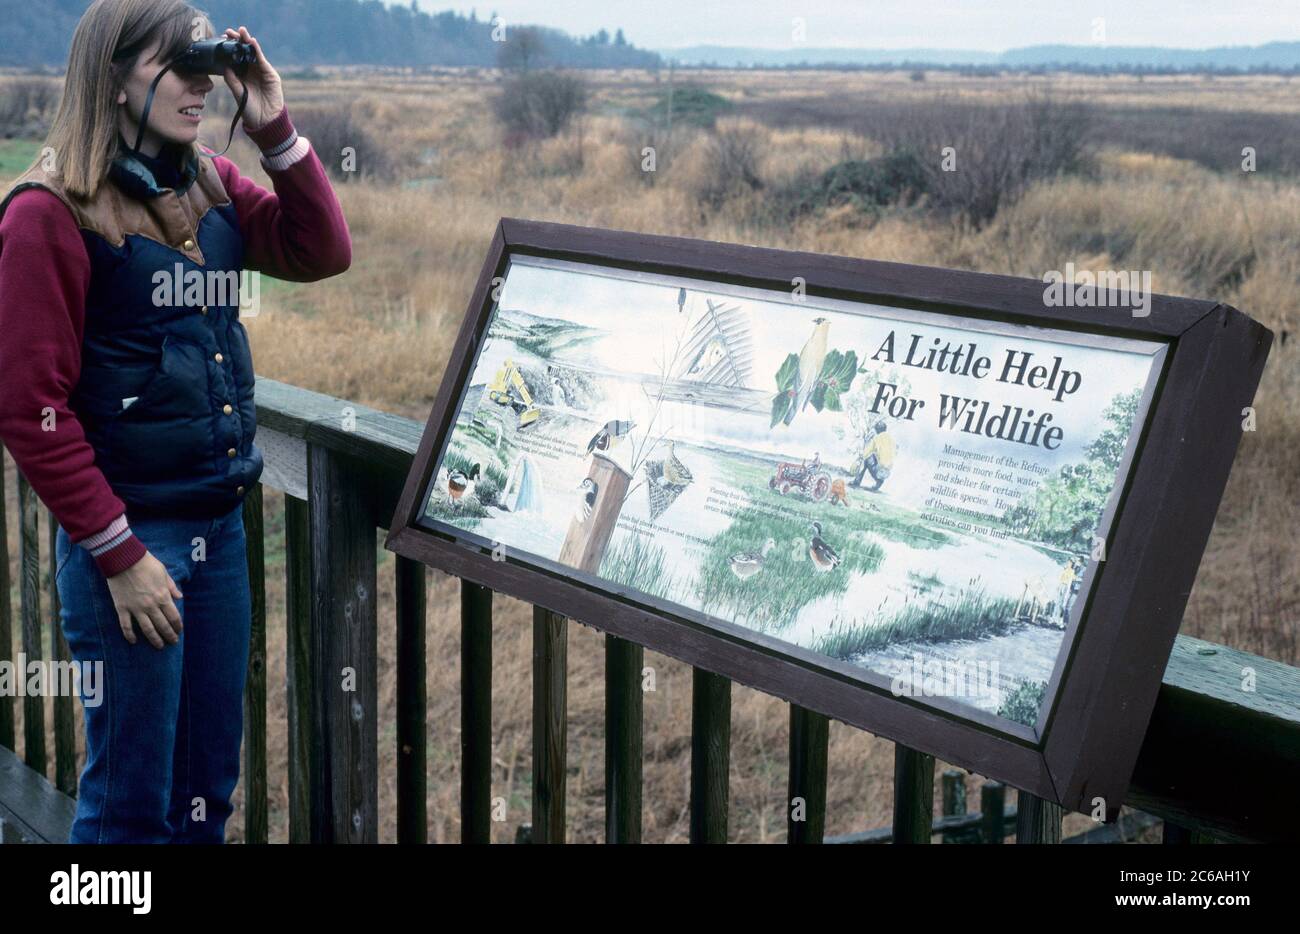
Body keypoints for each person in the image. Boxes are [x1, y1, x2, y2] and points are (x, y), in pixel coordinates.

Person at [0, 0, 351, 843]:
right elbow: (27, 407)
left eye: (208, 66)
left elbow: (321, 251)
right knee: (128, 810)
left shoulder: (208, 182)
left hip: (218, 532)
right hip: (127, 540)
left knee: (206, 796)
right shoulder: (49, 213)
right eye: (179, 64)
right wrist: (118, 554)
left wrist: (273, 127)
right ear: (116, 78)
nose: (201, 84)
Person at [852, 420, 895, 490]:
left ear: (877, 430)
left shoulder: (877, 438)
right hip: (888, 470)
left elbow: (867, 452)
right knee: (875, 457)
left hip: (878, 470)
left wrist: (860, 458)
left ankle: (857, 481)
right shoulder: (891, 439)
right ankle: (879, 481)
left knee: (866, 459)